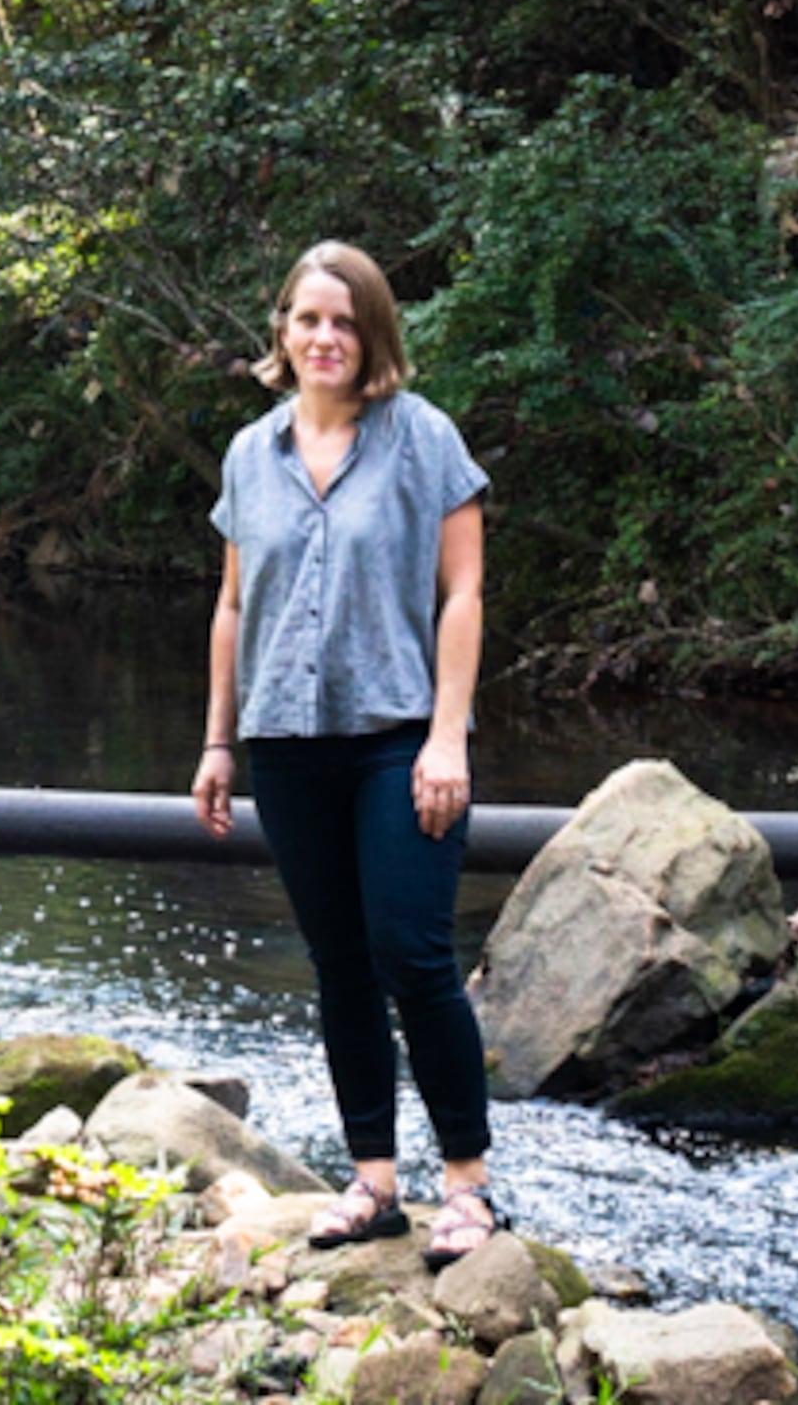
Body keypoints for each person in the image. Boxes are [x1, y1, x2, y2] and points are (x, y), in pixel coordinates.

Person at [190, 239, 500, 1267]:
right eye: (308, 318)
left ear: (373, 333)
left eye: (345, 320)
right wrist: (217, 742)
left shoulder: (424, 439)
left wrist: (448, 735)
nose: (326, 337)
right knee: (339, 969)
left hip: (399, 740)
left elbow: (462, 593)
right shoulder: (250, 452)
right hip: (285, 745)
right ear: (282, 329)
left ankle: (469, 1189)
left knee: (413, 953)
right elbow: (234, 604)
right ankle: (374, 1182)